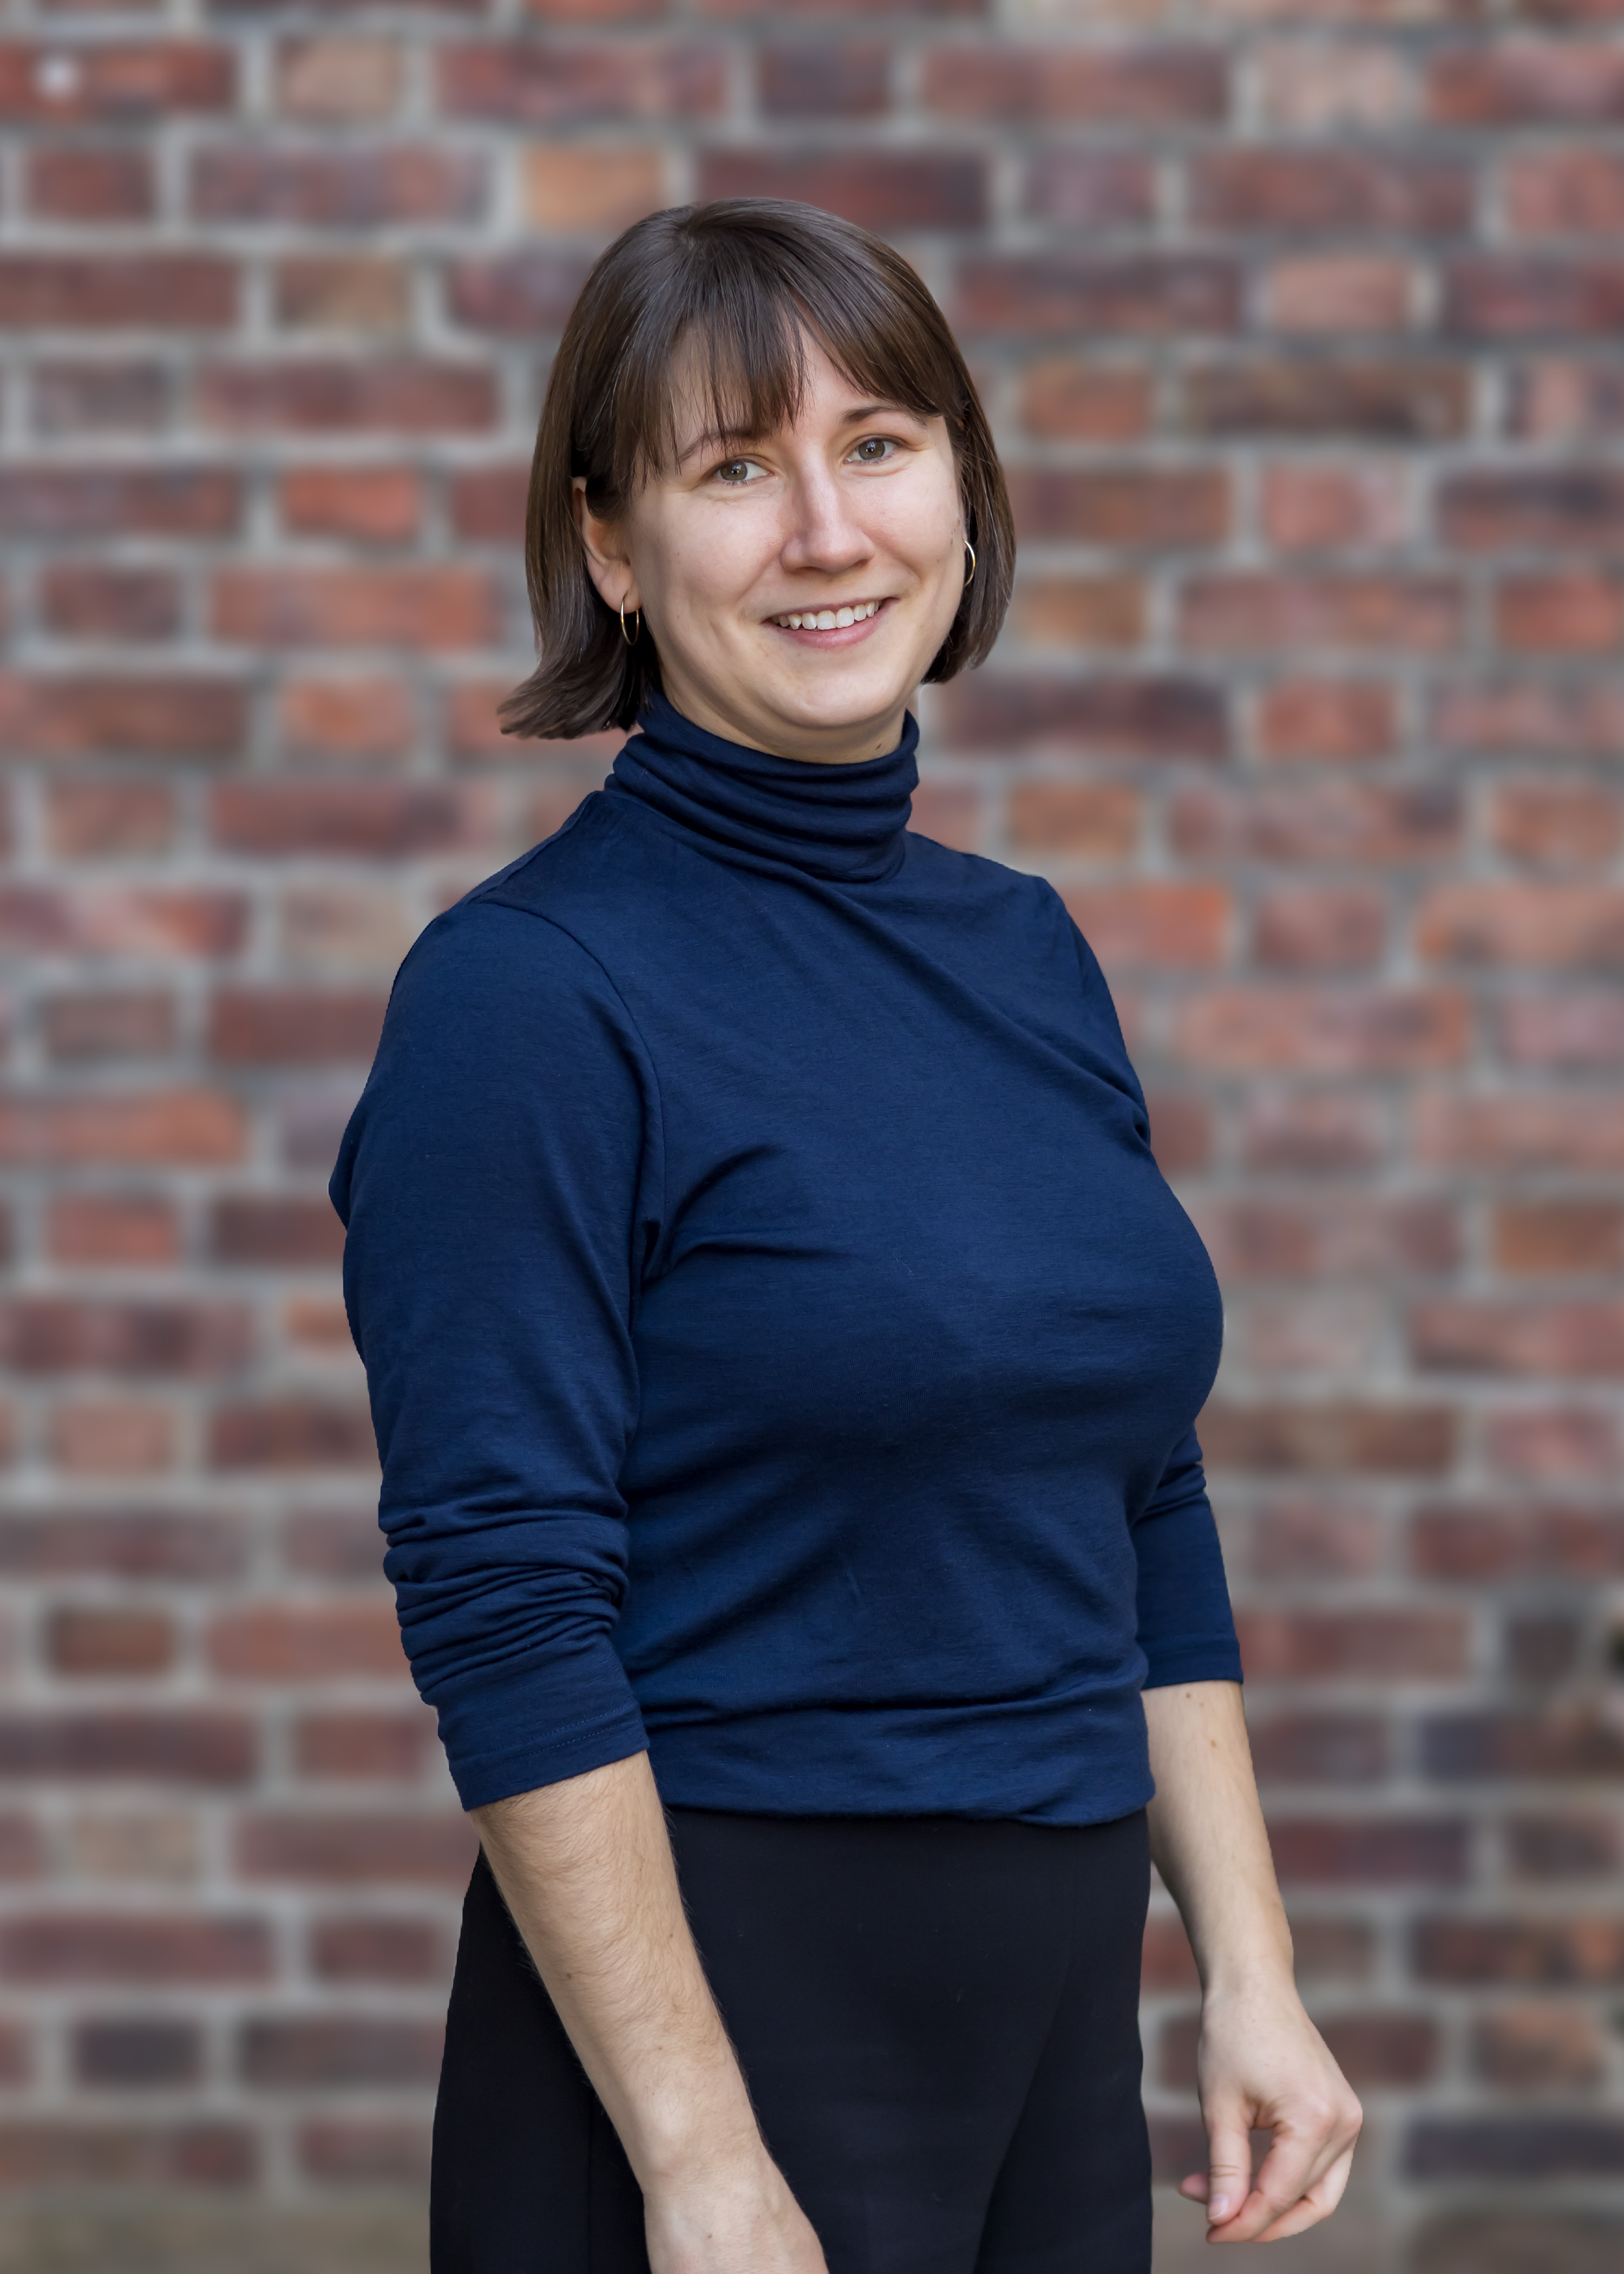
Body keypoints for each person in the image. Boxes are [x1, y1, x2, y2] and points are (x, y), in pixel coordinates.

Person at [332, 200, 1361, 2274]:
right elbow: (506, 1602)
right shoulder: (527, 1000)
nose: (827, 532)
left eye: (878, 445)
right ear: (614, 548)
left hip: (1055, 2029)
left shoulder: (1026, 950)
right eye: (735, 469)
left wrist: (1247, 1967)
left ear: (960, 487)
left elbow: (1135, 1489)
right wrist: (699, 2160)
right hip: (719, 2029)